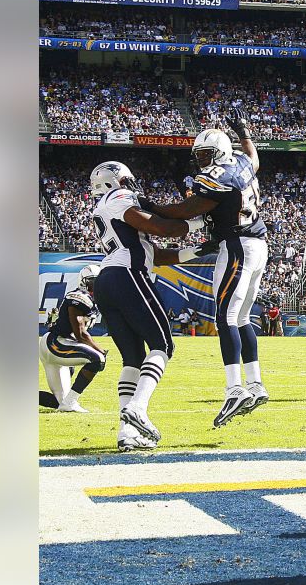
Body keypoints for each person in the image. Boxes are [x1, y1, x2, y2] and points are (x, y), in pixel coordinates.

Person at [140, 109, 269, 428]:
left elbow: (185, 211)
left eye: (207, 154)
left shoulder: (218, 176)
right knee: (240, 318)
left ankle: (234, 389)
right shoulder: (241, 163)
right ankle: (255, 384)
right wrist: (244, 131)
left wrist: (150, 206)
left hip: (237, 245)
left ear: (221, 152)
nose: (202, 160)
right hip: (258, 244)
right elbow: (253, 156)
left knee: (225, 318)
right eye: (199, 155)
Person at [88, 161, 211, 452]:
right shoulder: (118, 198)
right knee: (163, 345)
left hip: (109, 279)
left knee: (133, 358)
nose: (132, 185)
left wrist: (199, 249)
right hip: (127, 275)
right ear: (113, 182)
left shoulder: (106, 210)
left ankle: (127, 432)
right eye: (127, 180)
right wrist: (199, 222)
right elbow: (158, 227)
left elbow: (154, 254)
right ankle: (138, 408)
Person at [38, 264, 105, 414]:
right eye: (92, 281)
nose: (95, 285)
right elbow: (80, 333)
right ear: (83, 282)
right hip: (56, 342)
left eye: (98, 281)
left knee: (60, 403)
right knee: (97, 359)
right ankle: (72, 401)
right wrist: (99, 349)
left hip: (60, 344)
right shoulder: (80, 297)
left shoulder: (93, 300)